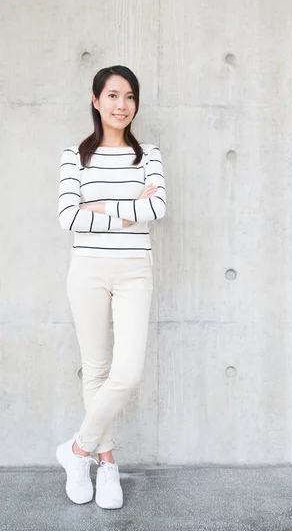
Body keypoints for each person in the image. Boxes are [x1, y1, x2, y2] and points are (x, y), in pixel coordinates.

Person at [56, 65, 166, 509]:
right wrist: (126, 211)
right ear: (96, 100)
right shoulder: (73, 156)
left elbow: (157, 209)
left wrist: (98, 204)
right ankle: (105, 463)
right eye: (114, 96)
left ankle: (76, 450)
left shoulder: (150, 155)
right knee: (96, 369)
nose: (122, 105)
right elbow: (68, 217)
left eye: (130, 97)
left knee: (127, 372)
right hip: (86, 269)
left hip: (135, 268)